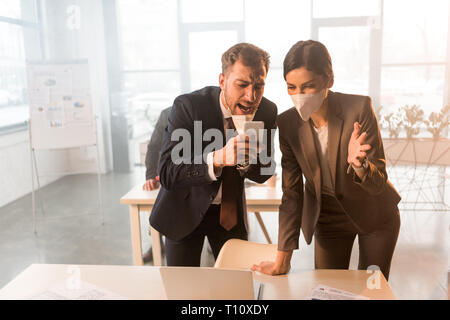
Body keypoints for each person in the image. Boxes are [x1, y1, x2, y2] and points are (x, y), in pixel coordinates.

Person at [252, 40, 401, 280]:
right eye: (291, 87)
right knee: (328, 289)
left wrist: (359, 165)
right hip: (328, 217)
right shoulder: (288, 124)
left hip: (375, 214)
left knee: (372, 289)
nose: (298, 96)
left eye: (308, 87)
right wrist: (282, 260)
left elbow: (377, 182)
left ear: (329, 80)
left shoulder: (359, 108)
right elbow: (292, 194)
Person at [150, 43, 278, 266]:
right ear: (222, 81)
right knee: (183, 290)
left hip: (228, 217)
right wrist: (218, 159)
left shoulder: (266, 111)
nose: (251, 96)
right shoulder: (188, 106)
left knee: (235, 287)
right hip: (183, 209)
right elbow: (168, 172)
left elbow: (262, 173)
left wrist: (247, 159)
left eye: (259, 85)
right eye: (242, 85)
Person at [141, 106, 171, 263]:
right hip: (168, 174)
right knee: (158, 208)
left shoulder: (202, 115)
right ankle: (156, 245)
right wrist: (150, 176)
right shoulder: (166, 114)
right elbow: (153, 147)